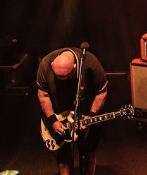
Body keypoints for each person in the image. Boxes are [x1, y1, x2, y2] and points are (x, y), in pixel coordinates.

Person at [36, 47, 109, 175]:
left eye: (65, 78)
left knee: (88, 151)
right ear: (53, 65)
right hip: (59, 113)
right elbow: (43, 95)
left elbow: (101, 92)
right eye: (57, 78)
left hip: (85, 111)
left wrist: (91, 115)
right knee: (63, 157)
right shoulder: (45, 65)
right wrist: (52, 120)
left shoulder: (91, 64)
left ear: (75, 68)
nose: (61, 81)